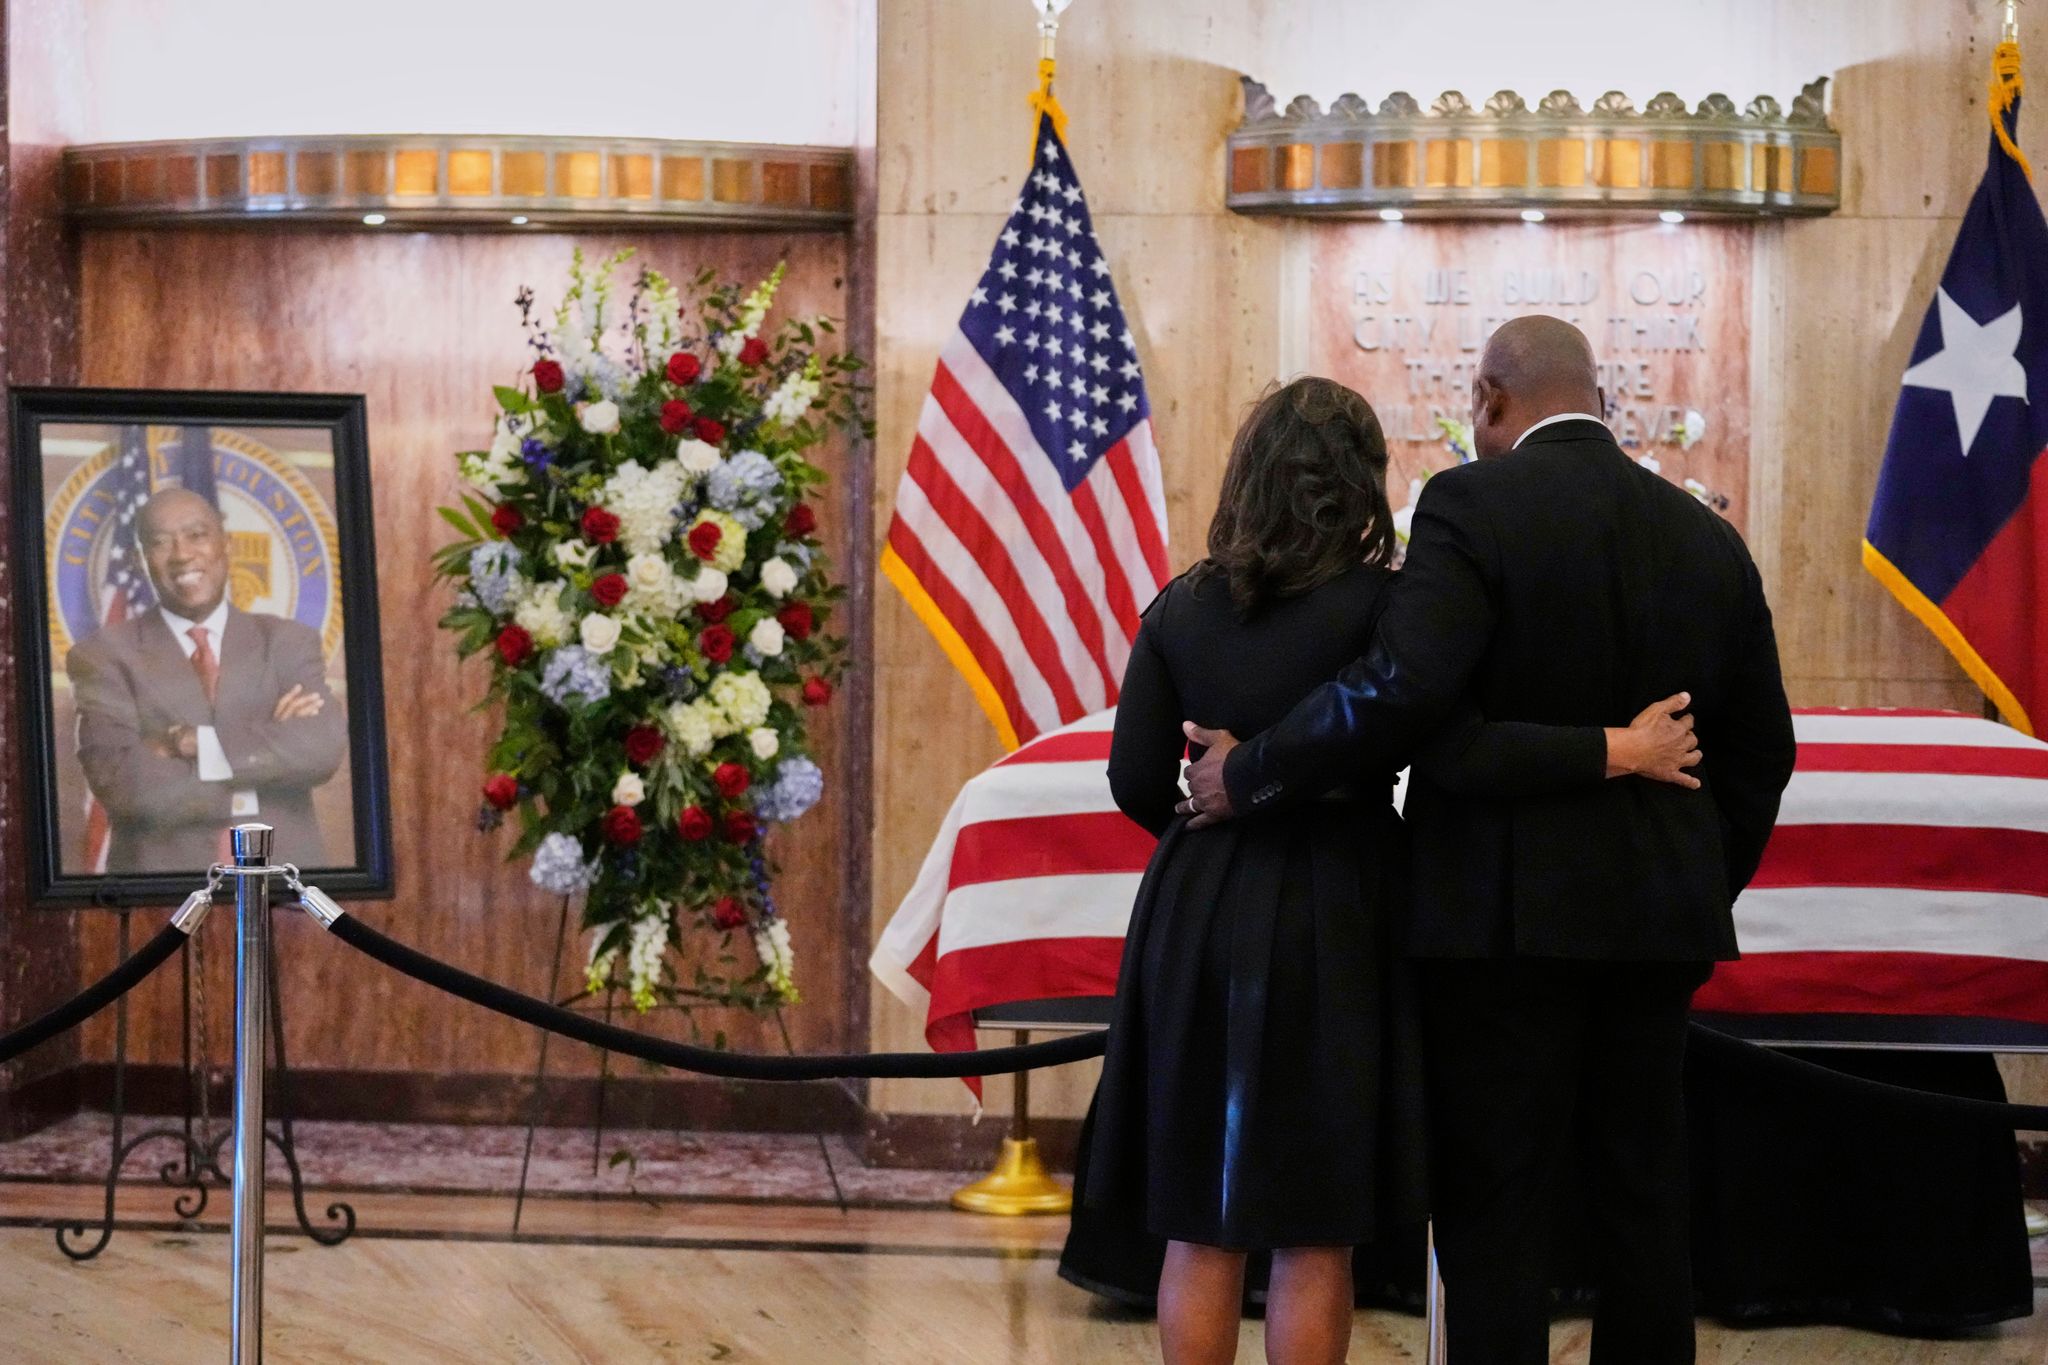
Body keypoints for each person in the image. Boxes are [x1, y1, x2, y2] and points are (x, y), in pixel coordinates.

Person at [1180, 319, 1797, 1365]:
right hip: (1655, 924)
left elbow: (1405, 700)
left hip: (1495, 927)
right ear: (1597, 401)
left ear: (1487, 399)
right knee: (1643, 1202)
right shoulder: (1705, 539)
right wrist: (1688, 873)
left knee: (1496, 1210)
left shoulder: (1470, 505)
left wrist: (1246, 771)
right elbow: (1758, 754)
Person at [67, 486, 347, 871]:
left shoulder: (287, 642)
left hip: (283, 889)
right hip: (161, 895)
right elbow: (127, 786)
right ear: (139, 558)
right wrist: (257, 778)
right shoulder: (103, 656)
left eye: (197, 535)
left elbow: (320, 750)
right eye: (161, 542)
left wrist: (190, 743)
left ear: (225, 543)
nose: (182, 554)